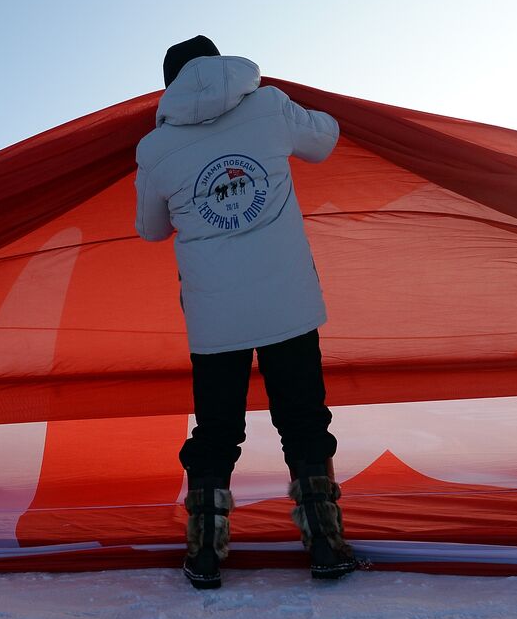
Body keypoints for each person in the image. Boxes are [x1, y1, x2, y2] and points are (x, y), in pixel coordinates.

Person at [134, 35, 358, 589]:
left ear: (169, 85)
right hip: (288, 302)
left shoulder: (155, 148)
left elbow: (151, 229)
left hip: (215, 317)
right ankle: (325, 540)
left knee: (216, 429)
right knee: (304, 420)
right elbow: (325, 139)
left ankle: (205, 549)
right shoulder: (269, 105)